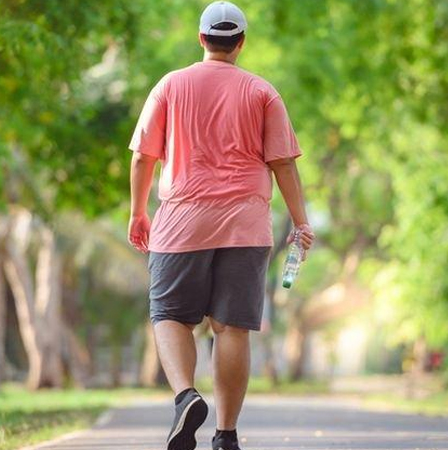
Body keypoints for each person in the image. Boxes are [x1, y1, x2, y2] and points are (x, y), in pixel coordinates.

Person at [127, 2, 314, 449]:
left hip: (181, 222)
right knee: (231, 327)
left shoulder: (170, 85)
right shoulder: (262, 92)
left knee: (169, 315)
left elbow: (142, 157)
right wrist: (301, 222)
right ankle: (226, 435)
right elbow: (283, 163)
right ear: (241, 43)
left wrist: (137, 212)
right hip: (246, 225)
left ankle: (186, 396)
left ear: (201, 38)